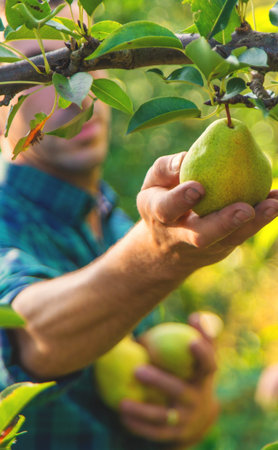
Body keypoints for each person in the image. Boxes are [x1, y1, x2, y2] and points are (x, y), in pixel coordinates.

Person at [1, 3, 278, 449]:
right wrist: (157, 254)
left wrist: (191, 413)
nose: (73, 93)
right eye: (38, 72)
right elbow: (28, 334)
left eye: (84, 61)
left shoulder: (116, 219)